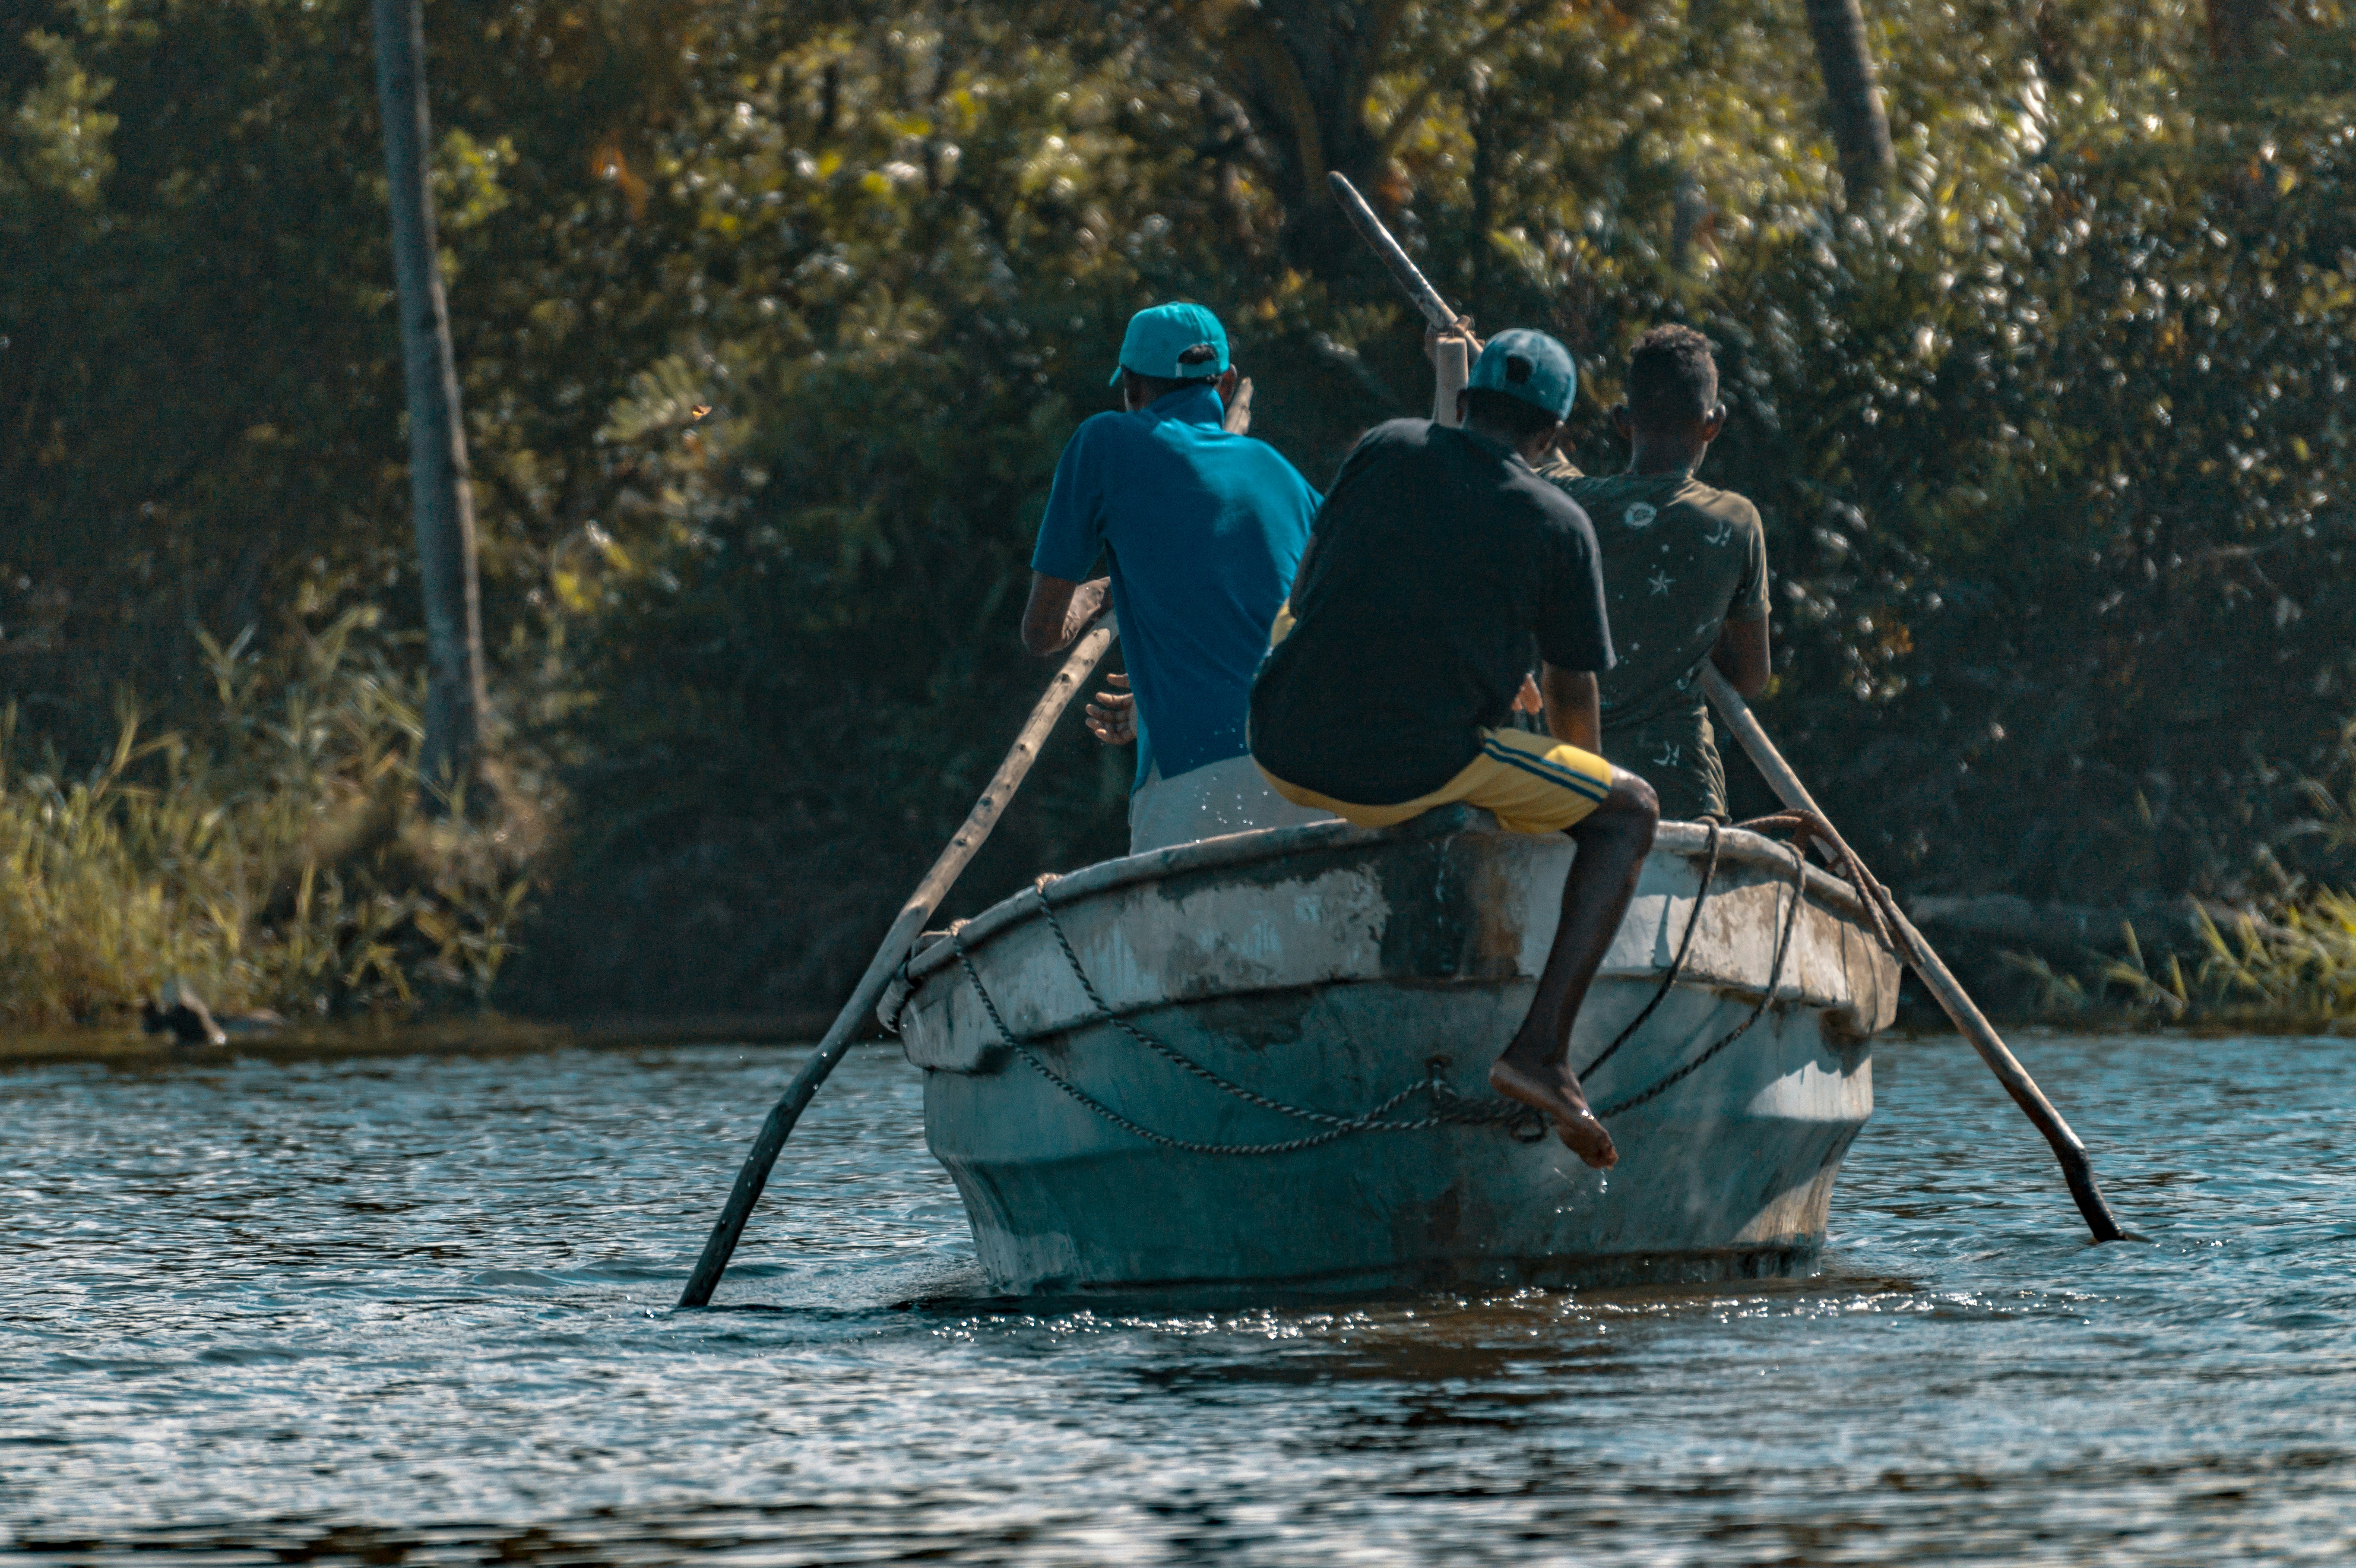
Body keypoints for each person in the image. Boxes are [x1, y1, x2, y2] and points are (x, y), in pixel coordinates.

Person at [1248, 329, 1660, 1169]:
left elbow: (1311, 586)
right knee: (1628, 812)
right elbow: (1572, 691)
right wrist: (1575, 793)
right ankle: (1540, 1050)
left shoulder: (1384, 447)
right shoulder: (1558, 521)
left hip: (1278, 736)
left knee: (1335, 641)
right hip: (1400, 767)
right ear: (1550, 439)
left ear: (1466, 403)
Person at [1021, 302, 1333, 852]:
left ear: (1132, 387)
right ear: (1226, 382)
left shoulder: (1105, 441)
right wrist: (1149, 701)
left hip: (1200, 777)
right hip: (1318, 767)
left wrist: (1101, 591)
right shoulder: (1278, 470)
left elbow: (1043, 631)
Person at [1539, 324, 1771, 820]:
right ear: (1713, 423)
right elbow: (1752, 677)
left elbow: (1543, 460)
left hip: (1558, 779)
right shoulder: (1734, 520)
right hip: (1677, 789)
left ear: (1622, 420)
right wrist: (1685, 634)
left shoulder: (1569, 503)